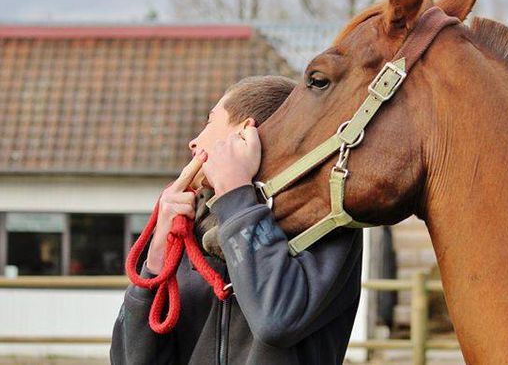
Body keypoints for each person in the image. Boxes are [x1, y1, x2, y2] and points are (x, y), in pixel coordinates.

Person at [110, 75, 364, 365]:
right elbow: (127, 360)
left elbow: (275, 320)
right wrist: (157, 254)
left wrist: (236, 194)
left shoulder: (327, 222)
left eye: (210, 121)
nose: (193, 142)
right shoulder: (191, 225)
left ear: (244, 134)